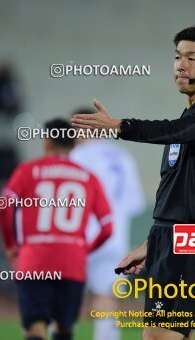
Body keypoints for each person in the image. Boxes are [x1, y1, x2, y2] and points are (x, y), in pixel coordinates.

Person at [72, 24, 195, 340]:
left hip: (189, 239)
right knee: (173, 336)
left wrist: (119, 126)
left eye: (191, 57)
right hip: (172, 238)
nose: (180, 65)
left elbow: (170, 130)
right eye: (177, 57)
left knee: (158, 336)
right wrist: (152, 244)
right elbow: (174, 193)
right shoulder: (190, 121)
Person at [0, 119, 113, 340]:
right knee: (64, 328)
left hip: (34, 261)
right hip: (72, 263)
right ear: (74, 145)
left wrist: (11, 246)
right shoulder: (89, 178)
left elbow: (4, 206)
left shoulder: (28, 171)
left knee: (36, 328)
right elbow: (107, 228)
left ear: (47, 142)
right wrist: (84, 250)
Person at [70, 108, 146, 340]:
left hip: (78, 239)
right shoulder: (122, 156)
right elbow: (136, 205)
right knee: (106, 299)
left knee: (62, 297)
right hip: (114, 239)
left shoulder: (76, 157)